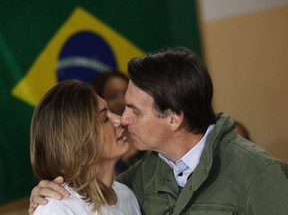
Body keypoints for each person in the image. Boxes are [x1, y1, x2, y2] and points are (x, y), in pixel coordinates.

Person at [29, 47, 288, 214]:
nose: (123, 119)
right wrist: (42, 199)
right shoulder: (140, 179)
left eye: (135, 110)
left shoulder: (260, 174)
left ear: (174, 118)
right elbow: (91, 195)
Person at [29, 80, 140, 214]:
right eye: (105, 118)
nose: (119, 120)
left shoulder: (127, 195)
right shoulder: (58, 208)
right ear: (75, 139)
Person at [92, 71, 145, 175]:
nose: (121, 101)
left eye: (126, 95)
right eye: (112, 96)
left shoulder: (151, 143)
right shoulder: (91, 150)